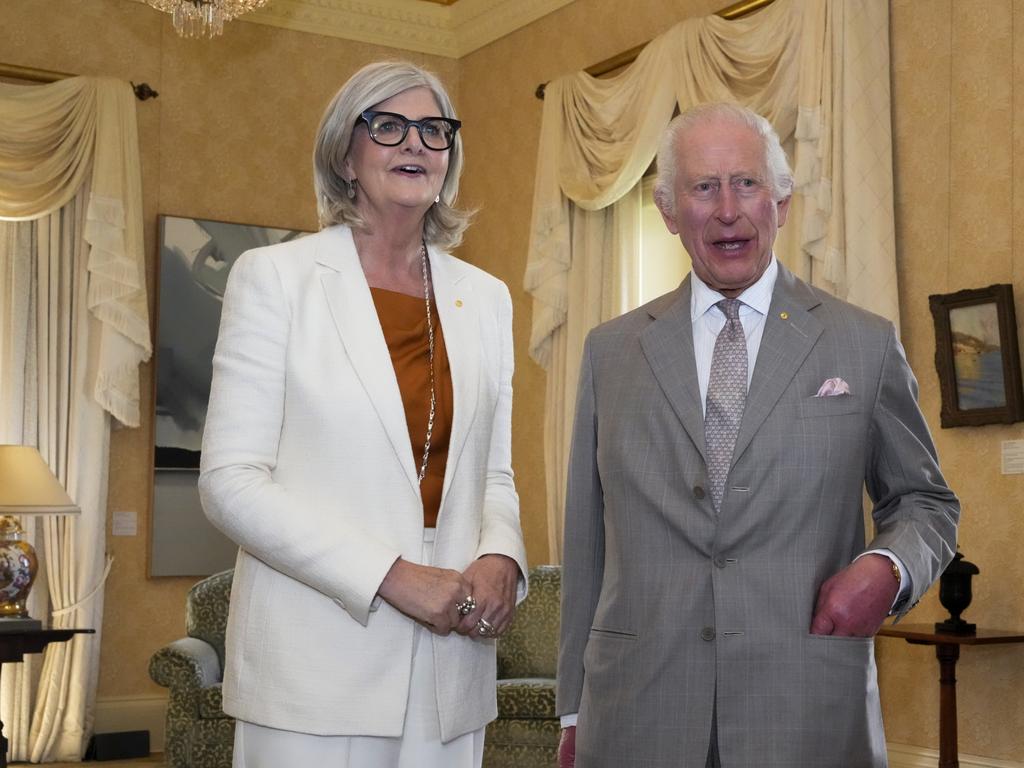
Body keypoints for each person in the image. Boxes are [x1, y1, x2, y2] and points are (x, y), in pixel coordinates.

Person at [555, 102, 959, 767]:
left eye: (746, 183)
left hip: (805, 711)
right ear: (667, 210)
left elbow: (926, 503)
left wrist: (886, 569)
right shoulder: (611, 352)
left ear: (783, 201)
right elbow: (587, 541)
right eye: (703, 187)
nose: (726, 209)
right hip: (637, 714)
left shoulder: (863, 344)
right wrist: (573, 708)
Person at [198, 60, 527, 768]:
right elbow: (230, 482)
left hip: (451, 668)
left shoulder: (488, 298)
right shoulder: (276, 280)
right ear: (346, 155)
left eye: (434, 130)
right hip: (315, 668)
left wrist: (503, 554)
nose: (415, 144)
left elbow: (493, 471)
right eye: (388, 126)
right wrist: (395, 576)